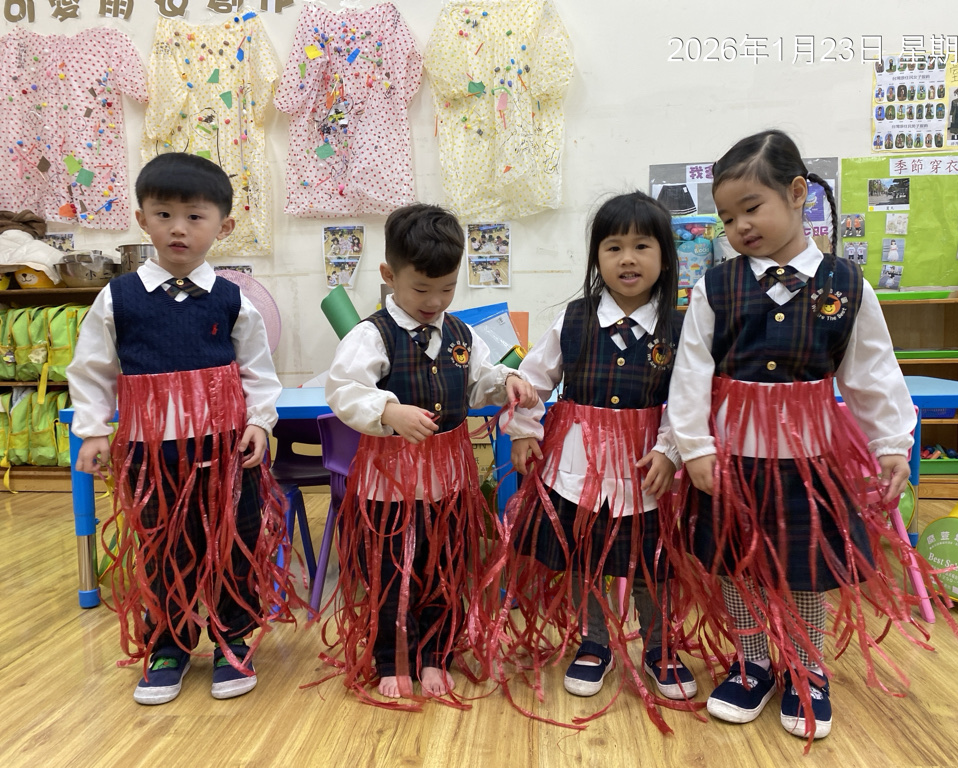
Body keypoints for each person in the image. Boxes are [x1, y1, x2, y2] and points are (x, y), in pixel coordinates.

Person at [667, 130, 958, 745]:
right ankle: (752, 663)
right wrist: (694, 447)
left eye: (752, 207)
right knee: (736, 566)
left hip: (810, 463)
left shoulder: (847, 285)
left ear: (798, 193)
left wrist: (891, 443)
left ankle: (806, 665)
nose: (740, 226)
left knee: (805, 567)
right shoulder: (714, 287)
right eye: (728, 218)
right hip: (733, 460)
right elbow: (691, 372)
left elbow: (872, 372)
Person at [67, 152, 299, 706]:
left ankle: (232, 639)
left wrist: (260, 423)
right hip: (151, 458)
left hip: (225, 454)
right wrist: (94, 430)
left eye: (195, 216)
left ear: (224, 225)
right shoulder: (117, 298)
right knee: (162, 548)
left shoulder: (233, 298)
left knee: (234, 543)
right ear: (141, 219)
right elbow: (93, 368)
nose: (178, 228)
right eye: (164, 214)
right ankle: (168, 645)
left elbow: (257, 371)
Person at [322, 203, 538, 703]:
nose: (435, 301)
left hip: (448, 479)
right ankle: (395, 658)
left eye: (447, 288)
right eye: (421, 289)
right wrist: (387, 410)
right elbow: (344, 390)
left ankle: (436, 654)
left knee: (445, 566)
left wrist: (506, 380)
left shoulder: (461, 335)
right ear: (389, 275)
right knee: (392, 571)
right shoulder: (371, 335)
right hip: (389, 483)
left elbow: (480, 380)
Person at [496, 192, 693, 731]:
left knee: (651, 563)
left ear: (665, 256)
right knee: (585, 557)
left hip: (645, 471)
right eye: (613, 247)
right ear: (596, 257)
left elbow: (689, 397)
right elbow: (533, 380)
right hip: (577, 469)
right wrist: (523, 431)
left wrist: (670, 450)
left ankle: (660, 646)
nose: (627, 258)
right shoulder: (575, 319)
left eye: (642, 246)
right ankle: (594, 641)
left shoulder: (680, 327)